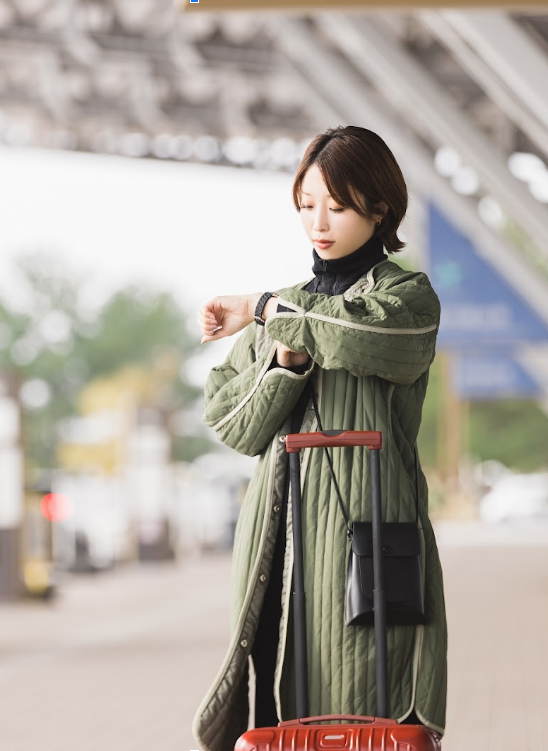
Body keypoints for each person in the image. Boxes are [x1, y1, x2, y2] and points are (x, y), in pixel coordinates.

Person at [190, 126, 447, 751]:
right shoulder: (281, 310)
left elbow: (373, 341)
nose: (319, 222)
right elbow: (231, 423)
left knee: (368, 709)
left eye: (337, 205)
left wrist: (263, 308)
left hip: (369, 539)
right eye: (307, 205)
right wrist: (286, 365)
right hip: (277, 543)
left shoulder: (406, 298)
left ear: (378, 207)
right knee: (281, 707)